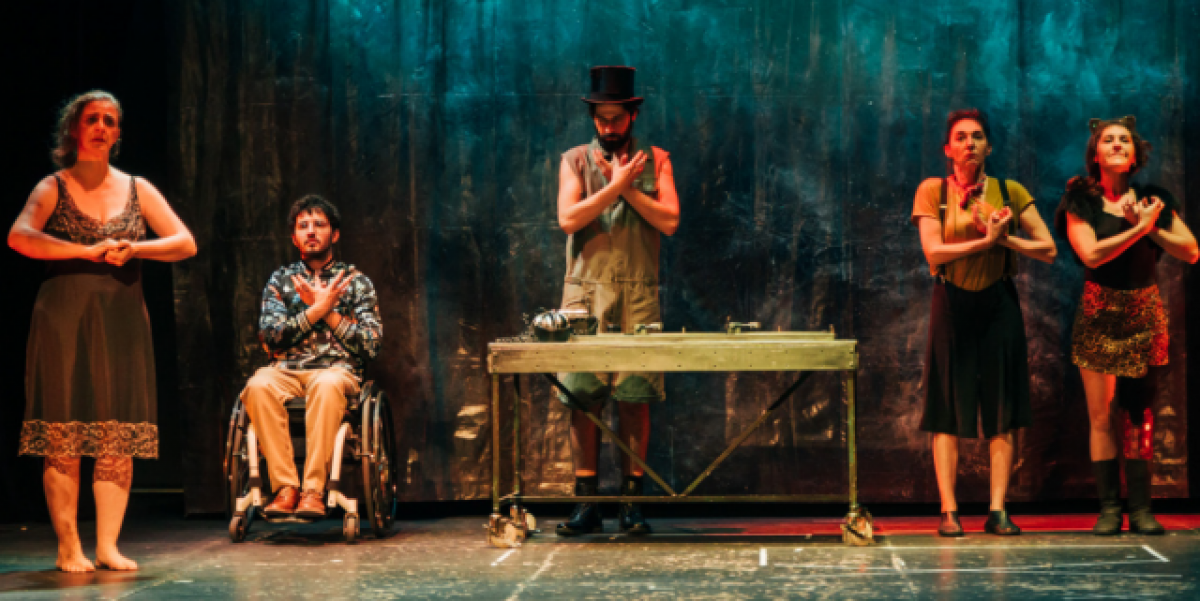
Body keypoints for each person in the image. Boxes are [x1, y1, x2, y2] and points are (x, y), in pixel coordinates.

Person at [9, 91, 197, 571]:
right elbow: (20, 236)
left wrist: (136, 249)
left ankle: (109, 545)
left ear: (118, 134)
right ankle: (69, 547)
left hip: (122, 320)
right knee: (64, 434)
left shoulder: (138, 188)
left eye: (109, 121)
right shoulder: (53, 186)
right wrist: (84, 251)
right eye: (91, 119)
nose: (101, 127)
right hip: (63, 318)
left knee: (117, 434)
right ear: (73, 129)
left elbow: (184, 243)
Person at [911, 108, 1057, 537]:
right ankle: (949, 510)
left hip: (997, 303)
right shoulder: (932, 191)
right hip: (951, 302)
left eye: (977, 136)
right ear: (948, 149)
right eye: (960, 137)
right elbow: (934, 252)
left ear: (989, 146)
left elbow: (1048, 249)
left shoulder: (1008, 192)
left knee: (1001, 407)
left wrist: (1004, 239)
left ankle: (997, 509)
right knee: (946, 408)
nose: (969, 143)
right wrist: (983, 242)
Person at [1055, 116, 1197, 535]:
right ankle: (1109, 509)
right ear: (1095, 155)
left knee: (1139, 414)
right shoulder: (1081, 201)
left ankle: (1140, 509)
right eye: (1108, 140)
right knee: (1101, 416)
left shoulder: (1153, 200)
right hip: (1100, 311)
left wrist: (1151, 227)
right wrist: (1139, 230)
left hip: (1143, 312)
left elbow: (1191, 250)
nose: (1117, 144)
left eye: (1124, 140)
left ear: (1134, 155)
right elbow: (1092, 254)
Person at [553, 66, 680, 536]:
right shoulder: (574, 160)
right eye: (601, 119)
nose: (608, 127)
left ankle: (631, 503)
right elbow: (569, 219)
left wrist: (627, 187)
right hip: (585, 293)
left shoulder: (657, 160)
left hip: (636, 295)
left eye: (616, 118)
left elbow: (670, 221)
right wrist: (614, 188)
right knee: (582, 397)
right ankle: (586, 503)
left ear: (632, 115)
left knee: (634, 396)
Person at [240, 195, 382, 520]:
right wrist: (314, 312)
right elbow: (270, 337)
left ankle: (314, 491)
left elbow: (371, 345)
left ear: (335, 234)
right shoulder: (281, 281)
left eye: (319, 224)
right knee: (258, 385)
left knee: (327, 384)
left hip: (337, 369)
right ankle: (285, 488)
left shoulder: (355, 282)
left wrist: (328, 313)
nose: (312, 231)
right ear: (294, 237)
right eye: (303, 226)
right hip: (287, 369)